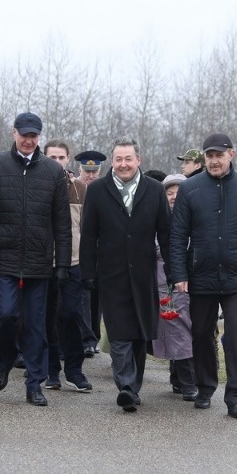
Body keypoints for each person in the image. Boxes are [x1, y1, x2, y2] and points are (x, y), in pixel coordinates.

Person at [170, 132, 237, 419]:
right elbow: (178, 236)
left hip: (236, 276)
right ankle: (205, 388)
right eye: (210, 156)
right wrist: (178, 273)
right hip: (200, 274)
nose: (214, 160)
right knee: (202, 333)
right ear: (204, 158)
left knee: (235, 336)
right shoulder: (190, 189)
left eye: (219, 155)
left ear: (231, 155)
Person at [0, 112, 71, 407]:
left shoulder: (53, 173)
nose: (29, 140)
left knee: (36, 325)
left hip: (39, 261)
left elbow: (62, 223)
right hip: (3, 259)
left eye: (34, 135)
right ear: (14, 133)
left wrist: (62, 265)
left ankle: (34, 383)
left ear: (39, 136)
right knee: (6, 316)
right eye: (24, 134)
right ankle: (3, 363)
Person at [80, 137, 170, 413]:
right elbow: (89, 236)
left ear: (138, 160)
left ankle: (134, 386)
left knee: (140, 333)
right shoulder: (97, 191)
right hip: (111, 274)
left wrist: (176, 272)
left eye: (128, 159)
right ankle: (126, 387)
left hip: (144, 276)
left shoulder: (154, 191)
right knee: (118, 332)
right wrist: (87, 273)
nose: (123, 164)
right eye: (118, 159)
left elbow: (166, 235)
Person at [43, 139, 91, 392]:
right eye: (52, 158)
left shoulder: (80, 188)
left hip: (74, 262)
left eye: (61, 158)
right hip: (43, 264)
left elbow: (88, 228)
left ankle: (74, 369)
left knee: (71, 314)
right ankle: (51, 370)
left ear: (68, 159)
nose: (58, 162)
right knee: (46, 318)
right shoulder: (37, 186)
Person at [152, 173, 197, 400]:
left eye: (178, 193)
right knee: (173, 331)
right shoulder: (157, 220)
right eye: (169, 193)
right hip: (162, 285)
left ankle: (186, 381)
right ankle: (182, 381)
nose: (173, 197)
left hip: (188, 284)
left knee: (183, 330)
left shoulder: (194, 219)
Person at [75, 150, 106, 356]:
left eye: (94, 171)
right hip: (77, 249)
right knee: (81, 297)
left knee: (97, 298)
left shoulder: (103, 189)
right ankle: (85, 338)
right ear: (80, 169)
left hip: (100, 250)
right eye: (87, 171)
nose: (91, 175)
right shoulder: (74, 188)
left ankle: (93, 335)